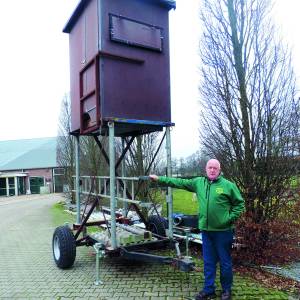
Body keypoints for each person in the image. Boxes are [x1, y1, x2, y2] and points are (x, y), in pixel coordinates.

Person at [149, 159, 245, 300]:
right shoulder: (199, 182)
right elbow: (179, 183)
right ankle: (208, 289)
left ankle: (226, 290)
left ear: (219, 170)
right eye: (210, 167)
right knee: (208, 262)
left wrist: (228, 219)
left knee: (225, 262)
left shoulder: (228, 186)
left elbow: (239, 205)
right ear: (206, 169)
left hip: (223, 232)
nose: (212, 170)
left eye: (215, 168)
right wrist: (159, 179)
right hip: (206, 231)